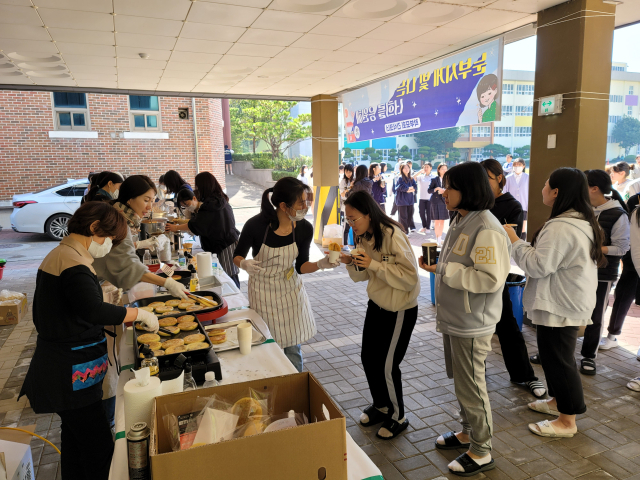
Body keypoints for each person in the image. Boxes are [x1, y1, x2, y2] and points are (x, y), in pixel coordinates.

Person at [19, 202, 159, 480]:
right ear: (94, 228)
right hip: (68, 372)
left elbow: (75, 305)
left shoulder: (66, 254)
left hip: (67, 367)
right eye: (109, 238)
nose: (108, 245)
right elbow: (92, 311)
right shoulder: (72, 263)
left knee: (74, 440)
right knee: (98, 446)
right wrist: (137, 313)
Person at [420, 162, 510, 476]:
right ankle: (467, 432)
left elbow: (490, 279)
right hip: (456, 318)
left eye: (450, 187)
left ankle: (482, 450)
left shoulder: (486, 227)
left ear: (468, 190)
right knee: (462, 383)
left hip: (472, 323)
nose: (443, 193)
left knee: (472, 385)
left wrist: (445, 270)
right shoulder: (462, 220)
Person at [504, 168, 603, 439]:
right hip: (563, 301)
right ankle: (557, 402)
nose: (542, 189)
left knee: (560, 360)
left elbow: (538, 265)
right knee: (553, 357)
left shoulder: (562, 226)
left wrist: (514, 241)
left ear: (557, 192)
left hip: (562, 304)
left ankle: (567, 421)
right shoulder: (577, 220)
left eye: (546, 185)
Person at [337, 191, 419, 440]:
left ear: (368, 214)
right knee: (368, 357)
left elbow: (410, 277)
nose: (351, 224)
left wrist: (372, 264)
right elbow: (363, 275)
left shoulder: (392, 234)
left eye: (353, 219)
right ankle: (381, 405)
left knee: (387, 365)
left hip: (399, 310)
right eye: (347, 220)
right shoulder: (363, 236)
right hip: (377, 306)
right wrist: (350, 261)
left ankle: (398, 416)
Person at [233, 177, 337, 372]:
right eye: (301, 202)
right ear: (283, 205)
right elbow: (236, 255)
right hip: (262, 292)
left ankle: (294, 386)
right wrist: (244, 263)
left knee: (292, 347)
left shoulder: (304, 228)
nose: (305, 206)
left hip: (290, 291)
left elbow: (301, 266)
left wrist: (321, 264)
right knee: (267, 345)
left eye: (307, 201)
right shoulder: (256, 225)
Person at [480, 159, 544, 397]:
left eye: (486, 178)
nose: (482, 184)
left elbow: (508, 241)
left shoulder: (511, 205)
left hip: (496, 275)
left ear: (499, 178)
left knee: (507, 327)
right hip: (470, 276)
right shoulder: (471, 206)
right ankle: (477, 372)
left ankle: (524, 376)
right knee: (476, 331)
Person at [93, 175, 189, 298]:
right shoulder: (117, 222)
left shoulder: (117, 216)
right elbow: (130, 266)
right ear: (129, 199)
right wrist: (167, 282)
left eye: (152, 200)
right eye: (146, 200)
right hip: (85, 283)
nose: (150, 207)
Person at [579, 170, 630, 374]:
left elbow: (622, 248)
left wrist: (592, 249)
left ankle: (588, 356)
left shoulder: (618, 214)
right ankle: (559, 351)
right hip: (579, 270)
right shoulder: (582, 208)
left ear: (594, 188)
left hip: (602, 273)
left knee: (596, 315)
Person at [167, 172, 241, 288]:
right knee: (229, 275)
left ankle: (236, 302)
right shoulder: (219, 199)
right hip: (228, 242)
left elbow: (197, 225)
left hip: (225, 244)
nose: (197, 189)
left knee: (228, 277)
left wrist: (176, 227)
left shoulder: (210, 205)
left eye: (198, 186)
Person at [503, 158, 529, 239]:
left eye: (519, 165)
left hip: (524, 207)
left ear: (523, 166)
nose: (517, 167)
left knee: (523, 229)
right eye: (515, 165)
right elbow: (504, 192)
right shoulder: (508, 178)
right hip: (511, 208)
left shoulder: (528, 178)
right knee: (512, 228)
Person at [428, 163, 448, 245]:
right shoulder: (434, 179)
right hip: (435, 201)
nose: (444, 170)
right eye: (442, 168)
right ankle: (438, 239)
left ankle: (440, 238)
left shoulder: (448, 180)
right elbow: (429, 190)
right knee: (437, 221)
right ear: (438, 170)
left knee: (442, 221)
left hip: (444, 201)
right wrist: (436, 188)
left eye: (445, 168)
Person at [395, 163, 416, 233]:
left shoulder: (411, 178)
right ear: (401, 169)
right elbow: (401, 187)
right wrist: (409, 189)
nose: (407, 169)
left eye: (408, 168)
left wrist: (409, 189)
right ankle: (405, 231)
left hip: (410, 200)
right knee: (403, 217)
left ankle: (404, 229)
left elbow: (415, 187)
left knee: (410, 215)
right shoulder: (400, 178)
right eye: (405, 168)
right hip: (402, 200)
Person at [416, 162, 436, 233]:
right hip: (422, 198)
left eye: (427, 167)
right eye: (424, 167)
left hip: (430, 198)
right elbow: (412, 178)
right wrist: (419, 172)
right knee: (421, 213)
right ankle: (424, 226)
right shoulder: (421, 177)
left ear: (431, 168)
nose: (426, 168)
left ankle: (427, 228)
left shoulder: (434, 177)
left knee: (429, 213)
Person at [340, 164, 355, 246]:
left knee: (355, 225)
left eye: (350, 172)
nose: (348, 173)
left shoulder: (356, 180)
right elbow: (342, 194)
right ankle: (345, 244)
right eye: (346, 172)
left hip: (355, 205)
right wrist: (349, 188)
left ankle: (355, 244)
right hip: (346, 205)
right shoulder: (343, 182)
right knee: (346, 225)